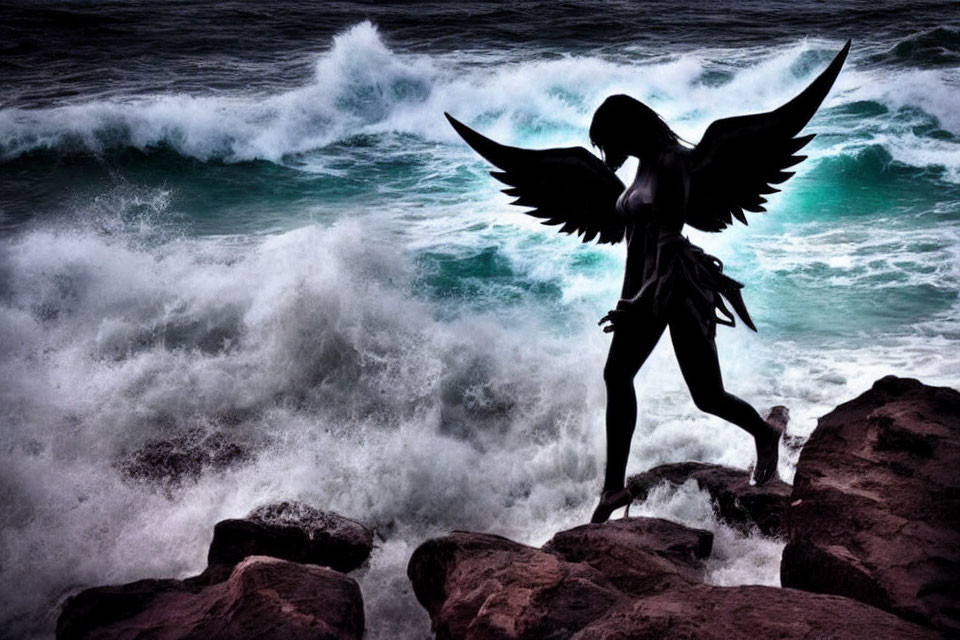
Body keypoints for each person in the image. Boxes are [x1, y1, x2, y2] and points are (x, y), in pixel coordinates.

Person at [444, 40, 849, 524]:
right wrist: (630, 297)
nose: (605, 154)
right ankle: (616, 488)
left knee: (699, 393)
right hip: (642, 292)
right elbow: (630, 230)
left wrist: (638, 301)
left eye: (607, 142)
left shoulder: (676, 163)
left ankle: (759, 436)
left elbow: (670, 242)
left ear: (625, 130)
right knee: (645, 381)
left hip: (672, 291)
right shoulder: (641, 167)